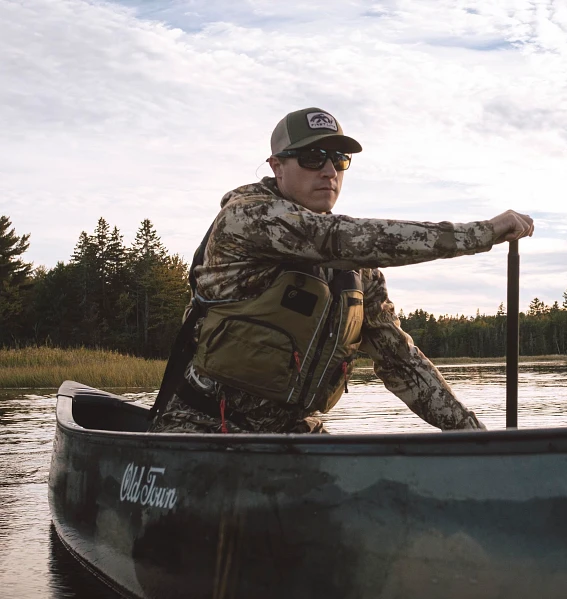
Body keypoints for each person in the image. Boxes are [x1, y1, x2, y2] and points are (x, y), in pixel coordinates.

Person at [149, 107, 534, 434]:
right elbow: (341, 236)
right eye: (313, 157)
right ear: (277, 166)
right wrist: (483, 233)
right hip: (204, 427)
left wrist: (475, 438)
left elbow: (401, 362)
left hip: (296, 434)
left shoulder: (360, 273)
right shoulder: (247, 218)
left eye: (339, 160)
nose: (329, 170)